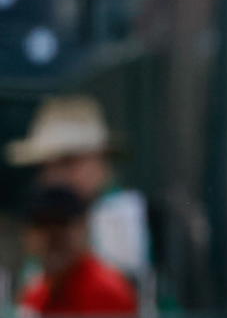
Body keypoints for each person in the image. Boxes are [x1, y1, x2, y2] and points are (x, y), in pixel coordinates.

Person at [6, 94, 149, 281]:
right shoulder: (42, 223)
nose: (54, 177)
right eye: (46, 166)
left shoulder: (125, 215)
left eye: (68, 162)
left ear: (101, 161)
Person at [14, 185, 138, 318]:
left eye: (62, 223)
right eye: (42, 224)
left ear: (84, 228)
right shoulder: (36, 294)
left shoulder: (105, 291)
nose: (53, 237)